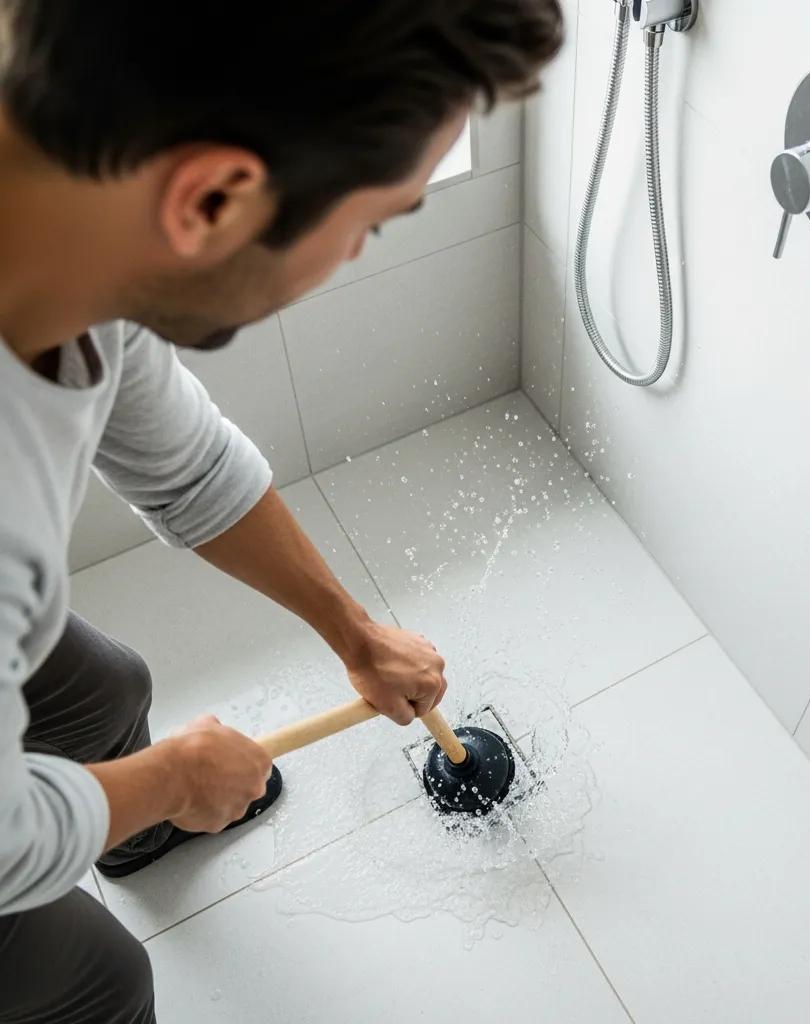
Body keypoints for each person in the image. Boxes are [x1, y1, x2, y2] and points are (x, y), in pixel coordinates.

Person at [0, 1, 562, 1020]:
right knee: (97, 982)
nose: (351, 254)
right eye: (369, 220)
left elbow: (189, 467)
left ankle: (127, 834)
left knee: (98, 692)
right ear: (211, 198)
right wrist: (171, 779)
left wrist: (353, 634)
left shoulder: (66, 221)